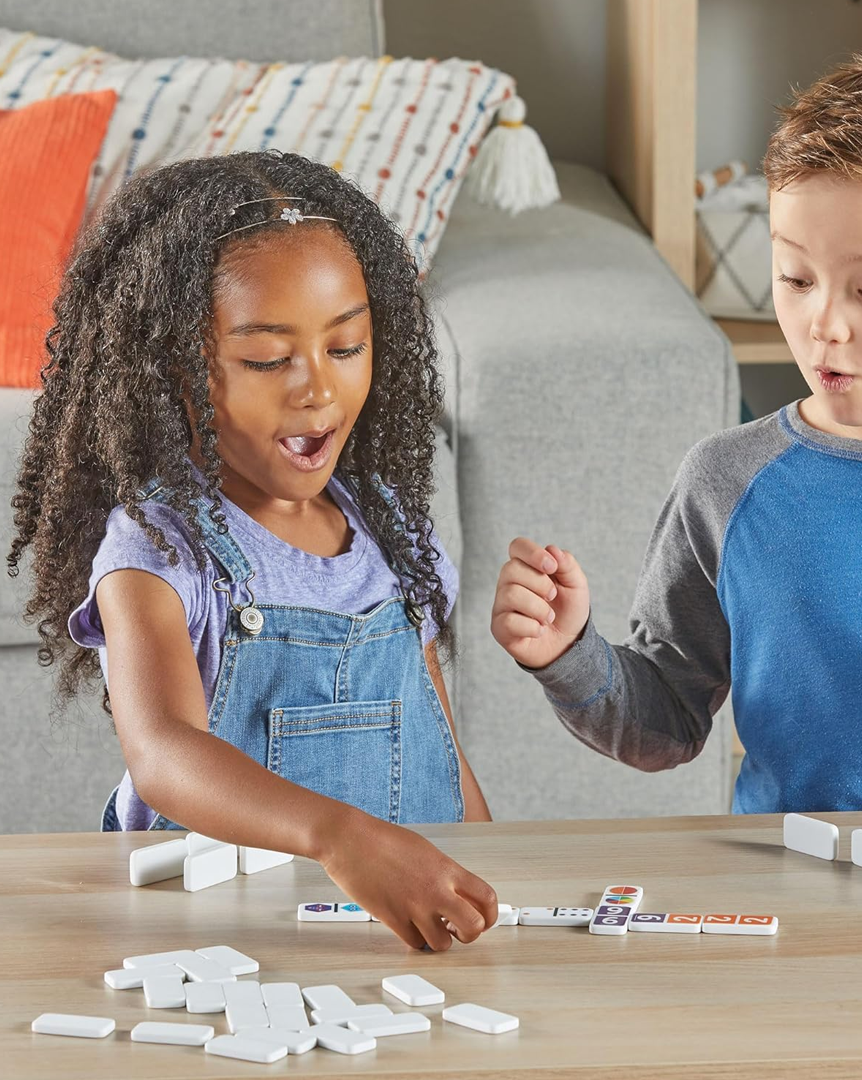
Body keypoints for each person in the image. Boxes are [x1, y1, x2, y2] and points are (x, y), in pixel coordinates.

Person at [491, 50, 862, 813]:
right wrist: (568, 655)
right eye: (795, 278)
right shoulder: (725, 481)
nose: (822, 324)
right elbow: (665, 726)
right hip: (797, 876)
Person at [8, 149, 497, 950]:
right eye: (269, 359)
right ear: (177, 371)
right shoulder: (161, 550)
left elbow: (436, 741)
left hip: (389, 935)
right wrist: (339, 836)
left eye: (346, 347)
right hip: (209, 938)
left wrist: (485, 863)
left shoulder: (393, 533)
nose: (318, 388)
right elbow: (163, 752)